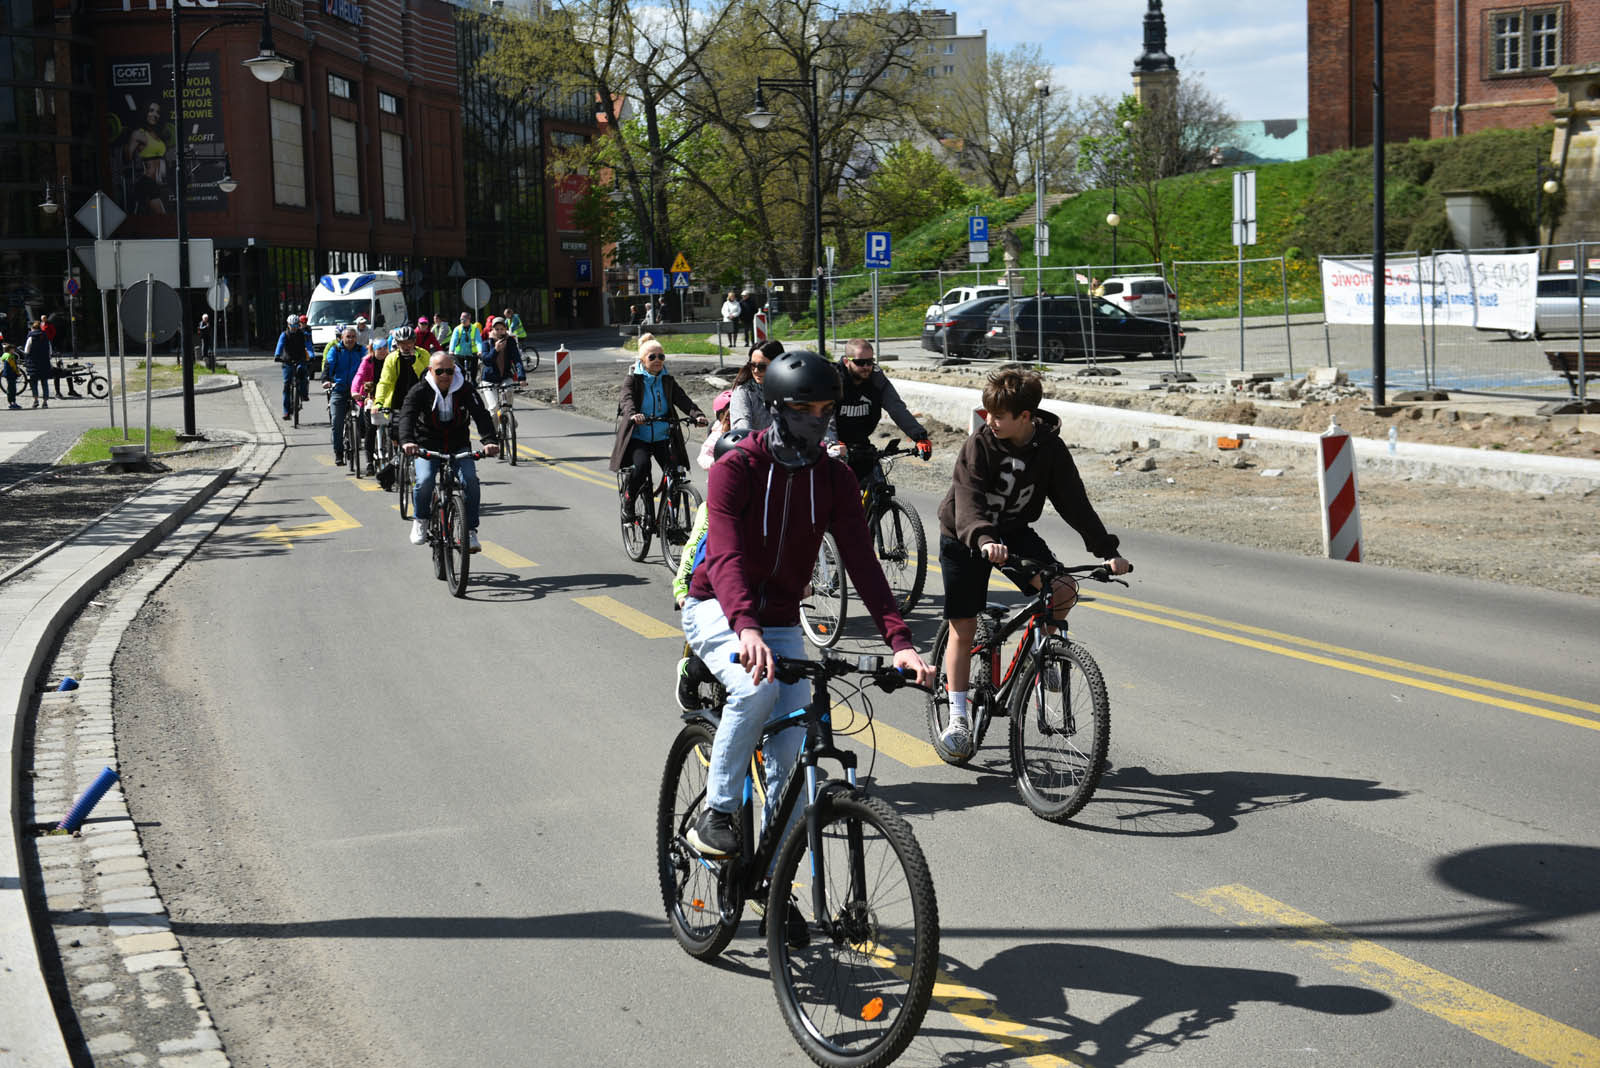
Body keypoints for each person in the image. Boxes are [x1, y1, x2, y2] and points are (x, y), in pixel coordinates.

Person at [681, 350, 933, 856]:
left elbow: (864, 564)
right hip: (717, 607)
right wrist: (745, 627)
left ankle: (777, 886)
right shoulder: (737, 468)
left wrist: (900, 642)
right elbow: (726, 554)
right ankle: (719, 810)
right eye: (803, 410)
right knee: (755, 692)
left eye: (825, 410)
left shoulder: (833, 478)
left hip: (777, 621)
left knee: (792, 762)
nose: (816, 422)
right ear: (775, 408)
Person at [935, 368, 1131, 757]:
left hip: (1014, 531)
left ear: (1026, 416)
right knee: (964, 623)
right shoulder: (979, 445)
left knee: (1062, 589)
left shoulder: (1050, 449)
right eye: (988, 412)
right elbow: (968, 499)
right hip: (965, 535)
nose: (990, 420)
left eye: (999, 415)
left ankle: (1046, 657)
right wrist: (985, 539)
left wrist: (1107, 551)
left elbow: (1074, 503)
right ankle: (958, 715)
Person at [398, 351, 499, 552]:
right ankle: (421, 520)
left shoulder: (465, 389)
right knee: (425, 480)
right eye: (440, 371)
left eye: (449, 371)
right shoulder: (420, 390)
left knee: (470, 480)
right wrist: (408, 441)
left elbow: (481, 414)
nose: (445, 375)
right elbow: (407, 416)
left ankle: (470, 531)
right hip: (427, 445)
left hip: (458, 445)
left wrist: (489, 441)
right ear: (430, 370)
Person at [607, 338, 707, 505]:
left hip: (663, 436)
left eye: (661, 356)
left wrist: (697, 415)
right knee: (642, 466)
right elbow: (627, 399)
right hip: (639, 437)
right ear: (642, 360)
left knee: (674, 473)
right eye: (652, 357)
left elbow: (683, 400)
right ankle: (629, 500)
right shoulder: (633, 380)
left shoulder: (667, 381)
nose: (658, 360)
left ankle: (670, 519)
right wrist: (633, 415)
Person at [829, 338, 932, 483]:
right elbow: (825, 416)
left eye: (870, 361)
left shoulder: (876, 379)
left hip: (861, 443)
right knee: (841, 495)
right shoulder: (834, 379)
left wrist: (920, 437)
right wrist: (832, 443)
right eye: (860, 362)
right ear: (847, 361)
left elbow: (896, 407)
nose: (866, 366)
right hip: (835, 446)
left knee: (879, 490)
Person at [322, 325, 366, 466]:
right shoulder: (335, 350)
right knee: (337, 422)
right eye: (348, 337)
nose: (351, 339)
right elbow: (328, 366)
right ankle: (339, 453)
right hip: (339, 389)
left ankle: (360, 440)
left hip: (357, 391)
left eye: (353, 337)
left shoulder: (361, 350)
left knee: (365, 418)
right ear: (342, 338)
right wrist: (326, 380)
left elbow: (368, 365)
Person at [727, 339, 782, 433]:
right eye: (752, 365)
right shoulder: (743, 392)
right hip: (756, 447)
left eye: (762, 367)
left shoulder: (790, 388)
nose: (756, 371)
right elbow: (742, 427)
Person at [273, 315, 310, 419]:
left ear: (298, 325)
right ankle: (286, 411)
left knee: (303, 372)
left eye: (295, 325)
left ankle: (303, 393)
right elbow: (280, 345)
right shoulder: (284, 335)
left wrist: (311, 355)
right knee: (286, 385)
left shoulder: (303, 334)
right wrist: (277, 355)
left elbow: (309, 346)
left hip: (300, 358)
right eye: (291, 325)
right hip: (287, 360)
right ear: (288, 325)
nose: (293, 327)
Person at [697, 389, 734, 471]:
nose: (731, 418)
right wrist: (718, 463)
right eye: (727, 415)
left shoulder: (749, 425)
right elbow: (703, 456)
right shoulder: (718, 432)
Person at [21, 319, 53, 409]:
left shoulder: (31, 337)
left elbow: (26, 350)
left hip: (33, 363)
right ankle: (45, 401)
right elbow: (50, 350)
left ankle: (36, 400)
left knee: (34, 382)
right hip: (44, 363)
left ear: (32, 328)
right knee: (44, 382)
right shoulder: (46, 337)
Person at [449, 312, 480, 379]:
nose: (462, 321)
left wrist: (480, 351)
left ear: (469, 319)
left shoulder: (475, 329)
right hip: (459, 353)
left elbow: (478, 341)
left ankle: (473, 381)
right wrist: (451, 350)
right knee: (460, 370)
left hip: (472, 353)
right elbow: (453, 340)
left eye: (464, 319)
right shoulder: (457, 329)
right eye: (461, 319)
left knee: (473, 369)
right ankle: (461, 382)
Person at [2, 338, 22, 409]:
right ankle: (12, 403)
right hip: (12, 374)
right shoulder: (10, 356)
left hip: (7, 374)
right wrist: (18, 373)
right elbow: (13, 366)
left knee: (10, 388)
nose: (14, 350)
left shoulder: (5, 355)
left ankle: (11, 402)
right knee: (12, 389)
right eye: (13, 349)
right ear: (10, 349)